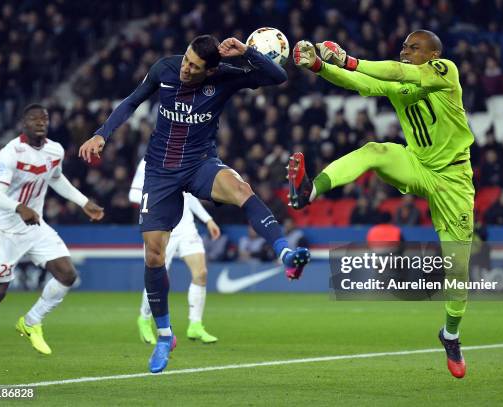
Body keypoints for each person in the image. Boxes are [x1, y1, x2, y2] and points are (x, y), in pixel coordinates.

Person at [78, 35, 310, 373]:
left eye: (195, 67)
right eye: (186, 61)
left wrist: (248, 52)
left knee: (242, 190)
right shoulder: (165, 69)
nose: (186, 69)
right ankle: (164, 335)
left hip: (200, 163)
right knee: (154, 255)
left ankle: (285, 253)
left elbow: (278, 77)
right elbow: (131, 101)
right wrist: (102, 133)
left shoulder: (225, 76)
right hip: (159, 172)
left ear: (211, 69)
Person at [290, 30, 474, 378]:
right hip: (418, 165)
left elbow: (392, 71)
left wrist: (348, 59)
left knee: (458, 269)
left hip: (454, 179)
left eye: (413, 47)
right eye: (403, 46)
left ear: (433, 55)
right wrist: (318, 65)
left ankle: (450, 333)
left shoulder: (446, 72)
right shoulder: (397, 84)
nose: (405, 51)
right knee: (374, 149)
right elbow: (360, 81)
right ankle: (308, 191)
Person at [0, 104, 104, 360]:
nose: (40, 122)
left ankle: (31, 321)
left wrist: (83, 202)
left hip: (34, 226)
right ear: (23, 123)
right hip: (5, 229)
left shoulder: (55, 150)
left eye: (45, 118)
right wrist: (20, 207)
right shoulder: (11, 152)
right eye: (34, 118)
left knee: (67, 274)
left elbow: (56, 179)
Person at [129, 158, 221, 344]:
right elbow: (133, 194)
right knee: (158, 278)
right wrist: (160, 197)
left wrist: (207, 219)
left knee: (201, 273)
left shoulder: (187, 156)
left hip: (186, 226)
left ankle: (195, 325)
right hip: (160, 226)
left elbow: (189, 195)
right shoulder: (149, 161)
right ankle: (144, 319)